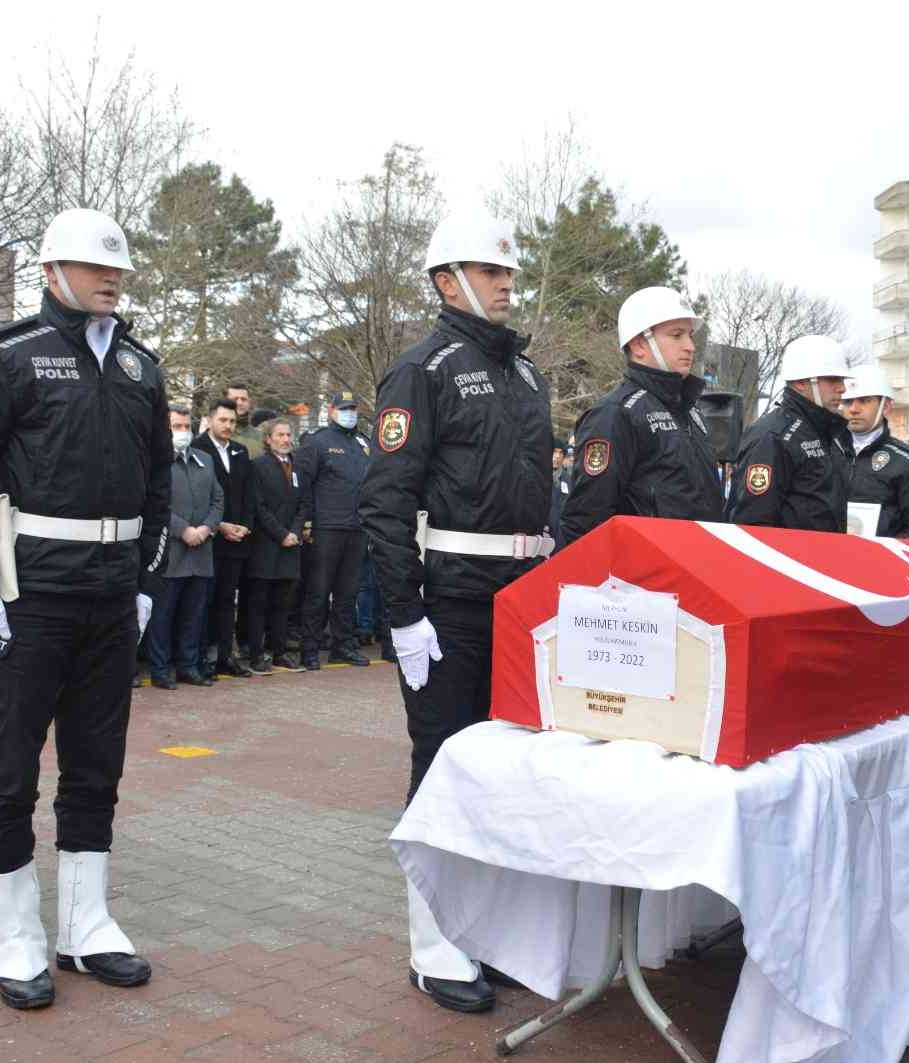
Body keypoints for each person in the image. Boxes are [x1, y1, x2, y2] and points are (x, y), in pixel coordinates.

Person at [0, 207, 170, 1009]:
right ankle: (17, 935)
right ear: (50, 271)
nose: (109, 280)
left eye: (118, 271)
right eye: (92, 267)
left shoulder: (139, 366)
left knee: (97, 767)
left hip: (108, 593)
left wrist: (143, 578)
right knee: (8, 773)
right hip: (32, 596)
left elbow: (159, 484)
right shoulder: (3, 357)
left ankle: (86, 924)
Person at [360, 214, 553, 1014]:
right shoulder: (422, 369)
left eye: (508, 270)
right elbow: (385, 499)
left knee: (504, 770)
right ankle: (434, 944)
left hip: (521, 595)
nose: (507, 282)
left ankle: (483, 933)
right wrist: (405, 613)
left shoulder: (530, 376)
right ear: (447, 281)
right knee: (442, 764)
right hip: (451, 599)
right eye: (488, 270)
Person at [560, 287, 724, 547]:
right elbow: (586, 522)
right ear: (638, 345)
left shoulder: (692, 411)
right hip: (642, 583)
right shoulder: (615, 414)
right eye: (677, 335)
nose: (690, 346)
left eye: (690, 336)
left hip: (698, 571)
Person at [726, 335, 852, 530]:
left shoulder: (830, 434)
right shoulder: (772, 437)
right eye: (832, 379)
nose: (842, 388)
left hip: (823, 558)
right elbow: (753, 524)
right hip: (787, 559)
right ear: (801, 382)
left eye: (842, 379)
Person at [146, 406, 223, 690]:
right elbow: (154, 503)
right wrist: (183, 530)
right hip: (170, 552)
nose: (182, 432)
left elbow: (218, 499)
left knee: (194, 615)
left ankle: (188, 667)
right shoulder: (156, 461)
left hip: (201, 551)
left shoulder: (204, 460)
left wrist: (206, 528)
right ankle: (160, 668)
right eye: (176, 426)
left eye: (186, 426)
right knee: (163, 615)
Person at [295, 391, 372, 669]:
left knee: (348, 591)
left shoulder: (364, 442)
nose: (349, 413)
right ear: (331, 410)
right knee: (318, 590)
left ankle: (343, 645)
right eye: (344, 408)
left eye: (353, 408)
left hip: (357, 527)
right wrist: (306, 523)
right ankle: (310, 649)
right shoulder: (317, 442)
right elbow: (303, 486)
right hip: (326, 527)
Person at [193, 399, 256, 678]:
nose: (228, 425)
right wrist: (219, 525)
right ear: (210, 420)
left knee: (227, 600)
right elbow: (196, 498)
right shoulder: (197, 449)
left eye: (232, 421)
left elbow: (250, 495)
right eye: (223, 420)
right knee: (204, 600)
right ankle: (202, 657)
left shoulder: (240, 451)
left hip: (237, 540)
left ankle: (224, 656)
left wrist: (245, 527)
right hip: (208, 539)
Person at [246, 418, 305, 674]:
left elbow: (305, 502)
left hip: (290, 546)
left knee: (283, 603)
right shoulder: (257, 466)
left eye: (288, 434)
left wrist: (295, 531)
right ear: (268, 439)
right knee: (259, 604)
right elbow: (258, 506)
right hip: (266, 545)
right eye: (279, 435)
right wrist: (281, 533)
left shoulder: (297, 466)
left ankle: (279, 651)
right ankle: (256, 653)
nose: (285, 439)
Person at [840, 364, 909, 537]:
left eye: (864, 400)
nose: (854, 409)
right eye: (848, 401)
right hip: (821, 558)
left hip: (879, 561)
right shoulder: (823, 452)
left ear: (885, 406)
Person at [226, 384, 263, 458]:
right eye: (235, 399)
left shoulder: (260, 437)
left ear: (249, 403)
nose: (239, 403)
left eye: (244, 399)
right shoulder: (216, 434)